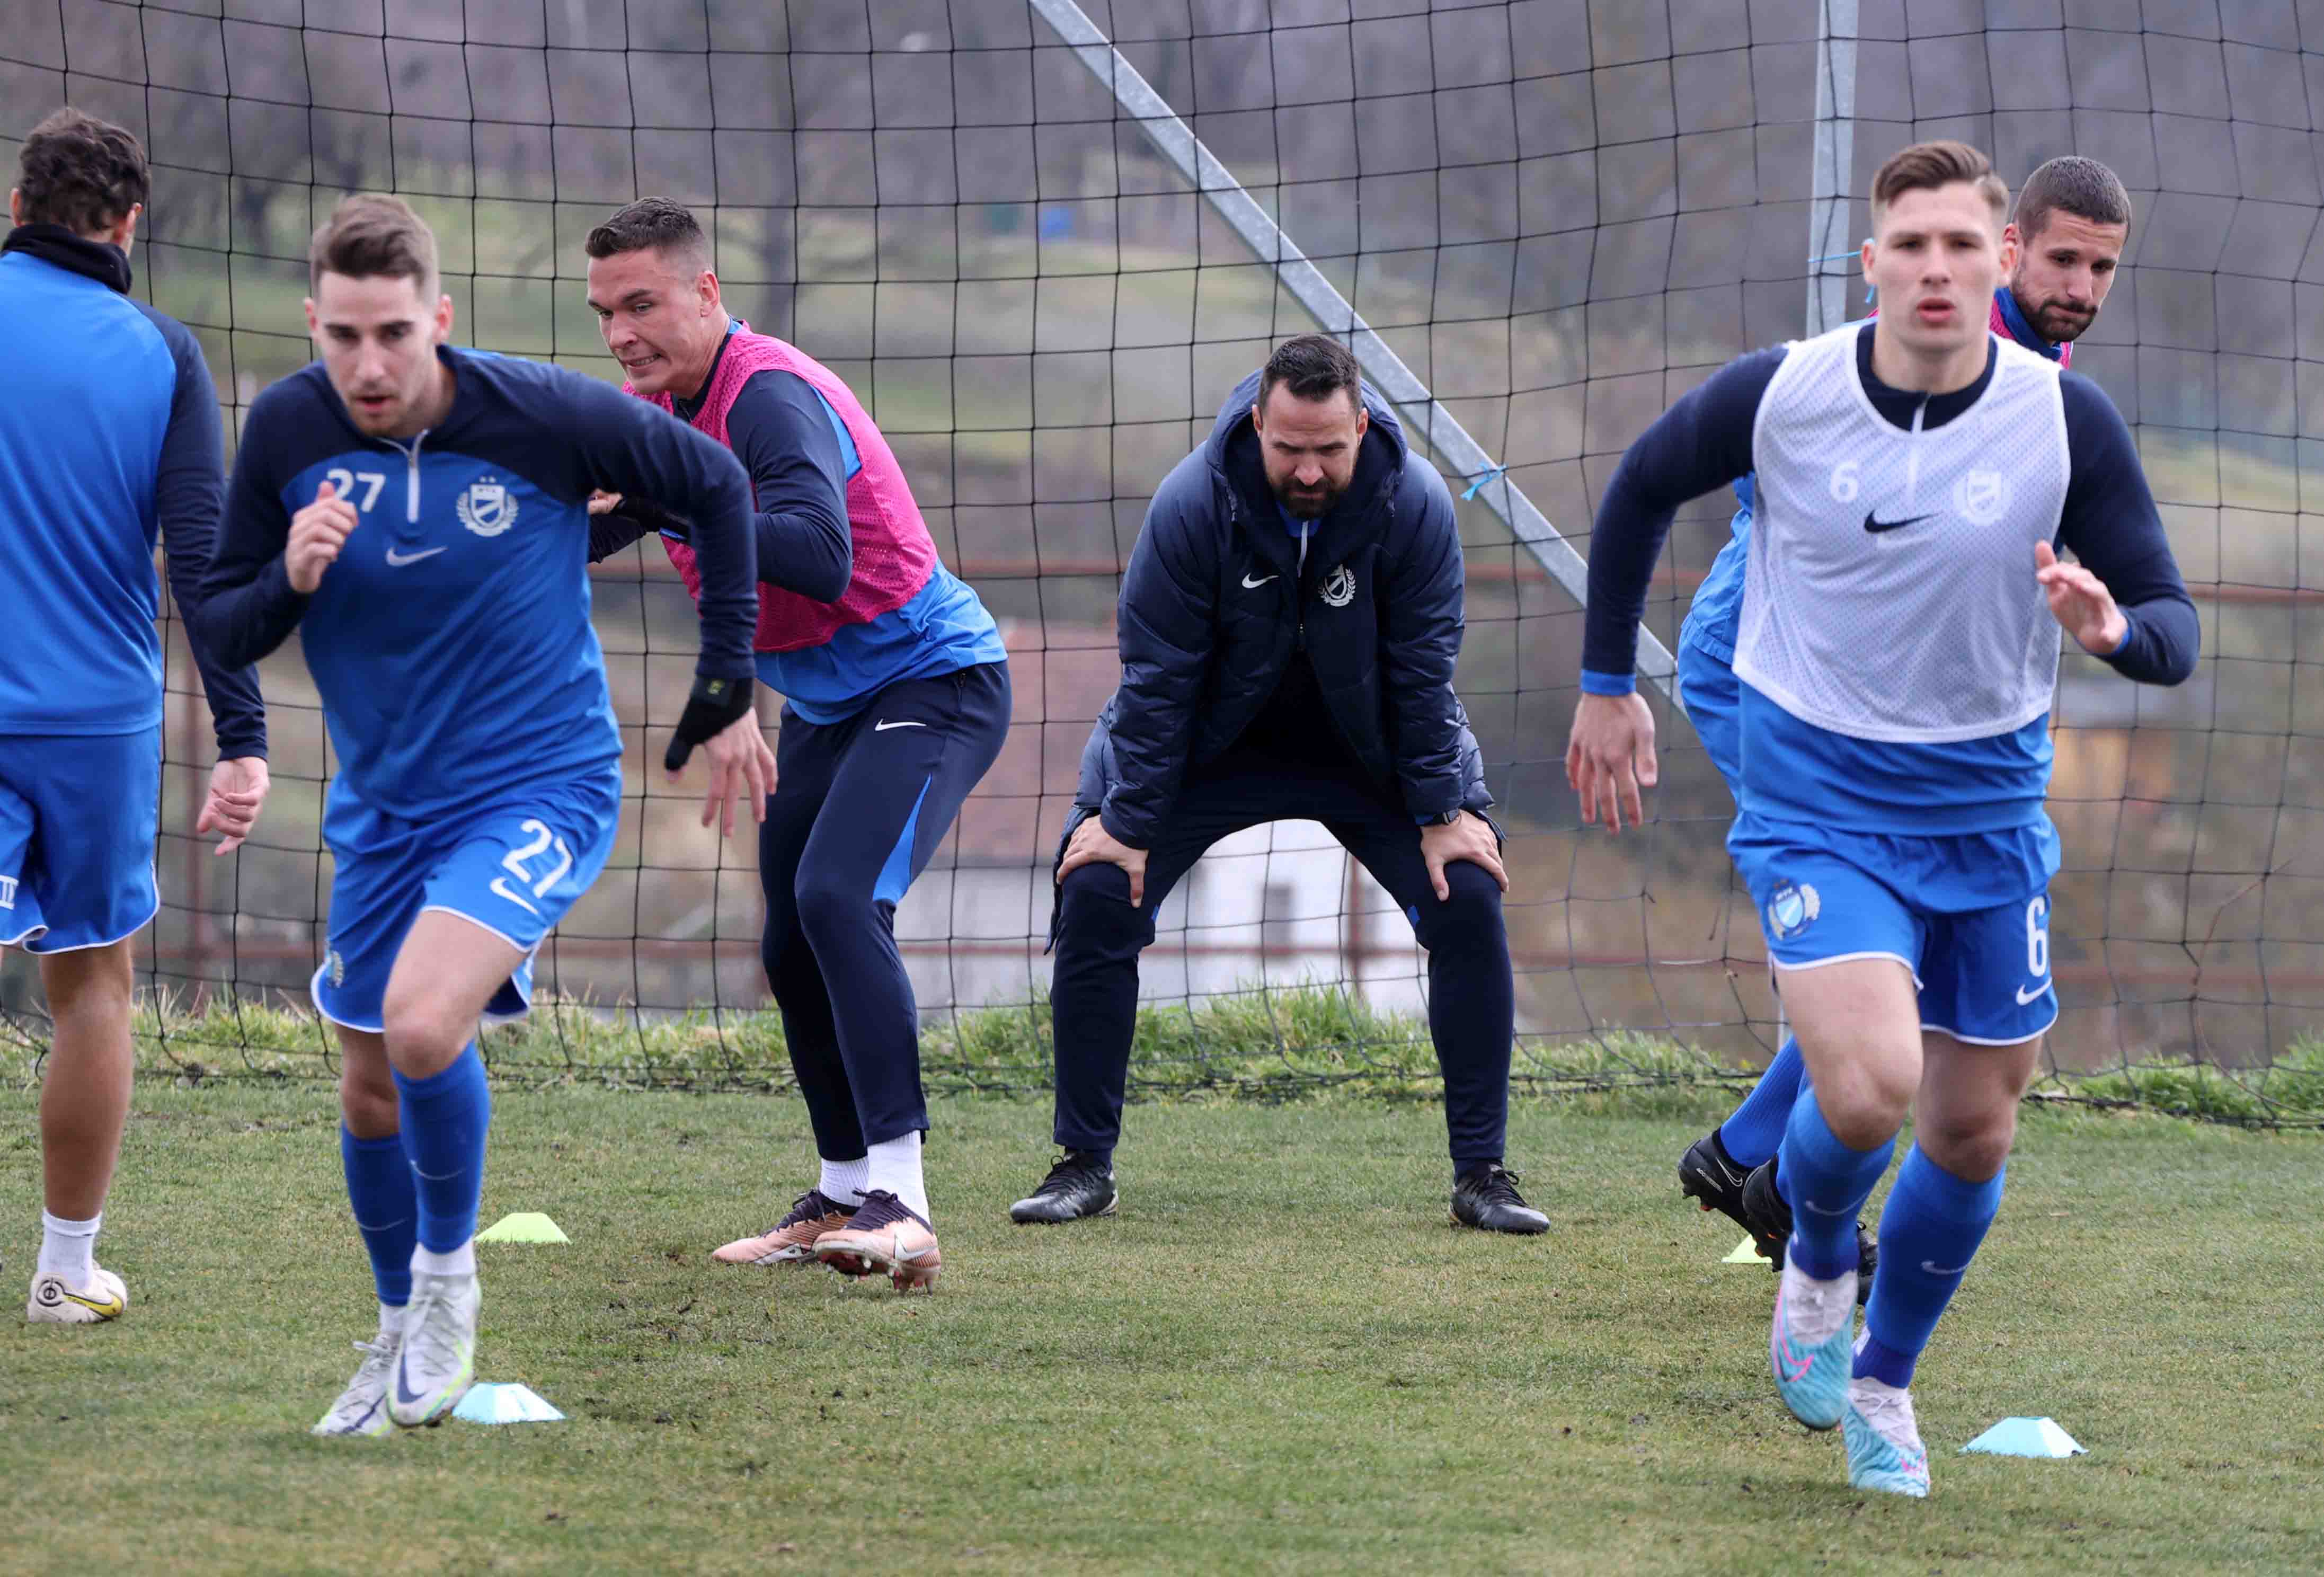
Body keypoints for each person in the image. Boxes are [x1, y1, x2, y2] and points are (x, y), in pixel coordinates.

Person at [1568, 141, 2195, 1495]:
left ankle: (1883, 1385)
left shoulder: (2063, 418)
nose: (1938, 268)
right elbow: (1640, 487)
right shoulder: (1788, 389)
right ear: (1874, 263)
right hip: (1822, 794)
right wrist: (1607, 684)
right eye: (1912, 244)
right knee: (1868, 1085)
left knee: (1973, 1132)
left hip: (1987, 814)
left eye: (1960, 245)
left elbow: (2173, 625)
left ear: (1992, 258)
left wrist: (2114, 632)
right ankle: (1810, 1254)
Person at [193, 194, 773, 1434]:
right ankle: (395, 1329)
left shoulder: (542, 415)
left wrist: (727, 680)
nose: (369, 364)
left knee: (419, 1024)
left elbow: (721, 486)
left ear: (439, 321)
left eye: (394, 334)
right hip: (382, 811)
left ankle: (450, 1286)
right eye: (344, 336)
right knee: (367, 1084)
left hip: (541, 786)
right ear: (314, 323)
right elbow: (224, 625)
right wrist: (290, 574)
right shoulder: (289, 431)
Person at [1673, 155, 2136, 1273]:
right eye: (2060, 260)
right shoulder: (1930, 349)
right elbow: (1775, 470)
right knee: (1898, 938)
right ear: (2008, 250)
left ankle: (1748, 1156)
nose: (2077, 285)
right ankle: (1768, 1175)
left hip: (1889, 712)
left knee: (1920, 939)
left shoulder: (2041, 371)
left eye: (2100, 268)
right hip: (1771, 681)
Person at [1010, 332, 1544, 1235]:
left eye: (1328, 449)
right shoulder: (1191, 505)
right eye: (1289, 447)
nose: (1307, 470)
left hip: (1364, 751)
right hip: (1212, 749)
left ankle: (1482, 1176)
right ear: (1256, 422)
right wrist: (1126, 823)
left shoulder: (1413, 504)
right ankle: (1082, 1164)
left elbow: (1422, 672)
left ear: (1360, 427)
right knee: (1098, 886)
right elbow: (1157, 678)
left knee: (1468, 893)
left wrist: (1442, 812)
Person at [580, 197, 1011, 1292]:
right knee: (788, 942)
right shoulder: (654, 417)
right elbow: (604, 524)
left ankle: (905, 1204)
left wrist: (662, 496)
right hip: (826, 702)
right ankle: (841, 1190)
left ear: (706, 292)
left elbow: (817, 553)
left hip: (933, 679)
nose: (621, 333)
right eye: (605, 313)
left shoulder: (767, 395)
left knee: (837, 898)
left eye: (642, 305)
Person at [0, 108, 270, 1324]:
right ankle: (65, 1273)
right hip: (96, 722)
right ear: (128, 225)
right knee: (94, 985)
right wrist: (244, 739)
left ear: (18, 209)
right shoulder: (164, 352)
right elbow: (205, 563)